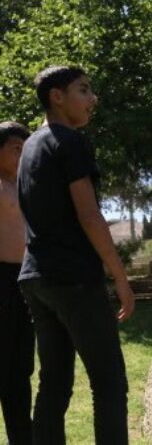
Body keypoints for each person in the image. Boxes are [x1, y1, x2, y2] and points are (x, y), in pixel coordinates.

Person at [17, 66, 134, 444]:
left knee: (54, 383)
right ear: (57, 96)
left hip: (36, 278)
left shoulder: (30, 146)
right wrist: (119, 275)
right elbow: (89, 214)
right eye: (83, 90)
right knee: (110, 383)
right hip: (74, 279)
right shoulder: (68, 141)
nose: (93, 99)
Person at [0, 121, 32, 445]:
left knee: (20, 371)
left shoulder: (23, 187)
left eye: (26, 150)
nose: (22, 156)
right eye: (15, 150)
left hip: (23, 282)